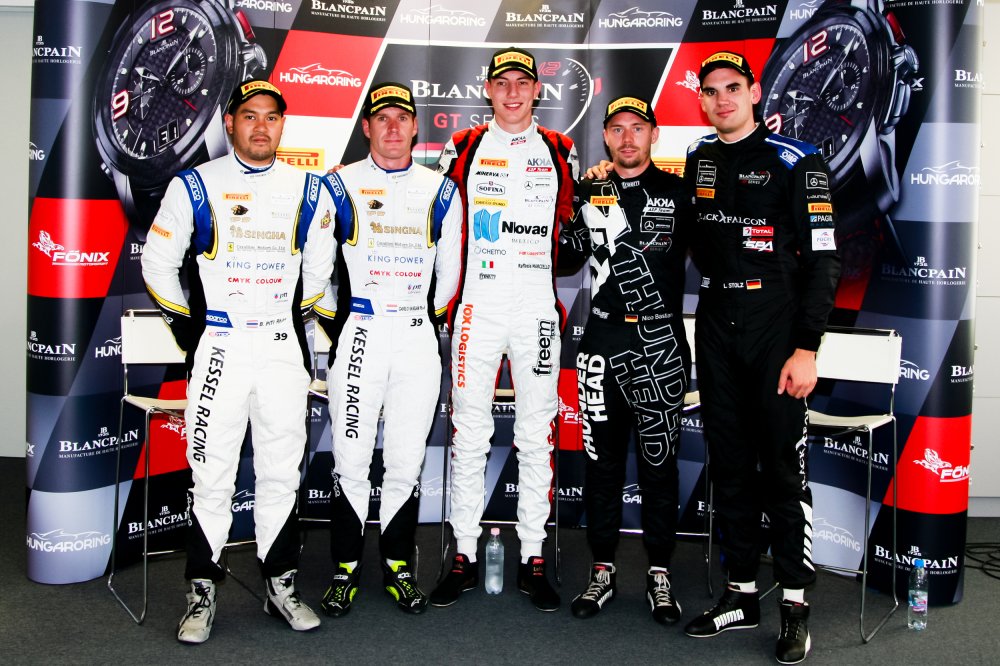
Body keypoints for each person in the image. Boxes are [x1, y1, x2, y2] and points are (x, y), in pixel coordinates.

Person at [141, 79, 332, 643]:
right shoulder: (195, 184)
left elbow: (319, 271)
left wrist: (288, 321)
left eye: (271, 117)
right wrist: (191, 330)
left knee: (280, 471)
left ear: (282, 125)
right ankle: (201, 592)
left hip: (280, 348)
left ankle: (281, 585)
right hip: (219, 347)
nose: (261, 126)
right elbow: (157, 263)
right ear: (230, 123)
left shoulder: (309, 188)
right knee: (212, 473)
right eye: (250, 115)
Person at [680, 52, 840, 665]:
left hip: (776, 327)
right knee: (729, 465)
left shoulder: (798, 159)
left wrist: (806, 347)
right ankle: (742, 592)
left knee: (780, 471)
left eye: (733, 87)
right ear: (701, 100)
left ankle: (794, 605)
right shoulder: (698, 157)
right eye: (711, 90)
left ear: (754, 92)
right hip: (716, 321)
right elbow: (683, 228)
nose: (722, 98)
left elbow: (824, 258)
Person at [429, 47, 579, 612]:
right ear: (488, 90)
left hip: (537, 307)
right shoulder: (464, 146)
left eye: (523, 82)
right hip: (479, 305)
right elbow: (438, 223)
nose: (512, 92)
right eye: (502, 82)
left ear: (538, 89)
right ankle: (464, 554)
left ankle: (533, 557)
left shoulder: (560, 148)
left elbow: (572, 227)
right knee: (469, 431)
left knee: (537, 433)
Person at [312, 82, 462, 616]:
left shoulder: (442, 190)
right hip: (361, 336)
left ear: (416, 127)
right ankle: (345, 568)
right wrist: (343, 325)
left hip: (417, 337)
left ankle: (398, 565)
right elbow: (316, 272)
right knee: (351, 459)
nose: (393, 127)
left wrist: (423, 318)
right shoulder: (338, 185)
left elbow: (450, 275)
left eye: (402, 117)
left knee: (405, 459)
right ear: (367, 127)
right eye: (382, 118)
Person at [559, 95, 690, 625]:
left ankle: (660, 573)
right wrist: (576, 199)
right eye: (617, 129)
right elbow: (565, 259)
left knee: (659, 464)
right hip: (602, 342)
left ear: (654, 134)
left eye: (638, 127)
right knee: (602, 465)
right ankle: (602, 570)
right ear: (606, 137)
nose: (628, 137)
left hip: (660, 343)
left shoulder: (680, 192)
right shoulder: (591, 189)